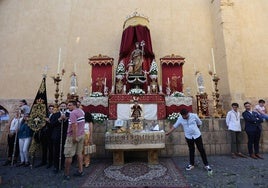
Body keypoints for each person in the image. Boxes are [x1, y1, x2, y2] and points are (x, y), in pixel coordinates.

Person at [63, 100, 85, 180]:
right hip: (81, 135)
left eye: (69, 105)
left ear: (74, 105)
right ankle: (80, 171)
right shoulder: (81, 111)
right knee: (79, 153)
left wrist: (74, 137)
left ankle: (66, 173)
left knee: (68, 155)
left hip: (73, 136)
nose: (68, 107)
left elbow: (74, 125)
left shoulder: (72, 113)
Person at [50, 102, 69, 173]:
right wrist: (59, 119)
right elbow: (51, 124)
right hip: (57, 135)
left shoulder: (69, 115)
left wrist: (66, 119)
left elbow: (70, 125)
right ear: (59, 107)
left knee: (64, 151)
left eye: (64, 106)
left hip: (65, 135)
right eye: (62, 106)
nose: (63, 107)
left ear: (66, 107)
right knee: (56, 151)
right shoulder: (55, 115)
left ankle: (63, 164)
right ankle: (56, 166)